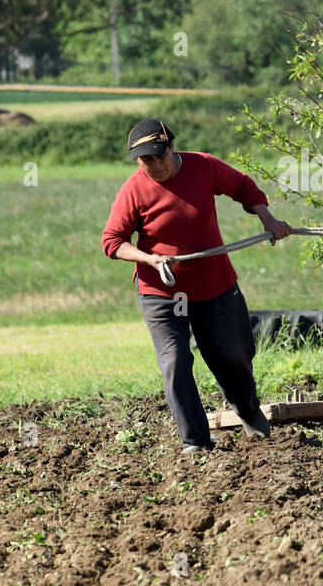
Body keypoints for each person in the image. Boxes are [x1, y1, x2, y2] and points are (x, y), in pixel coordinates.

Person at [102, 118, 292, 454]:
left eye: (159, 156)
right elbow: (113, 241)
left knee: (234, 356)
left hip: (214, 286)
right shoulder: (133, 189)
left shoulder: (203, 166)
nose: (155, 165)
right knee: (175, 361)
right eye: (146, 160)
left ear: (171, 147)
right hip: (163, 292)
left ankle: (247, 410)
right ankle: (196, 444)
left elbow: (244, 187)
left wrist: (268, 219)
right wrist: (148, 259)